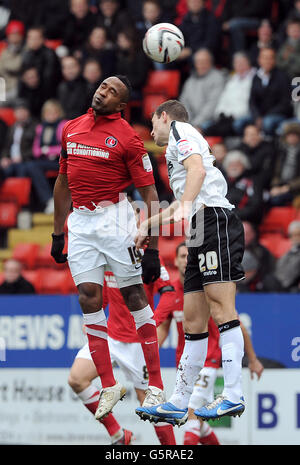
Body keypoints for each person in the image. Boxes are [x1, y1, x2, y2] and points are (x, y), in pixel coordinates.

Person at [51, 75, 165, 422]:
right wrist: (58, 234)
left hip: (115, 216)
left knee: (133, 296)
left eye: (112, 91)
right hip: (81, 222)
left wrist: (154, 249)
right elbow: (62, 182)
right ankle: (110, 384)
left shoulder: (130, 139)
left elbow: (150, 195)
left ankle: (156, 382)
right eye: (103, 86)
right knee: (88, 295)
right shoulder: (71, 128)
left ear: (121, 106)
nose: (103, 92)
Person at [134, 99, 246, 424]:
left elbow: (197, 170)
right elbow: (178, 206)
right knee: (194, 321)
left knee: (222, 308)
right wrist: (147, 225)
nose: (151, 130)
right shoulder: (175, 151)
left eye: (152, 123)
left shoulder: (181, 131)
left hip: (215, 219)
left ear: (164, 116)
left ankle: (233, 394)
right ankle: (179, 401)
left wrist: (184, 205)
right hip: (199, 225)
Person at [155, 242, 264, 445]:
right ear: (175, 261)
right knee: (195, 418)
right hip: (185, 363)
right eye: (181, 256)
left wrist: (254, 359)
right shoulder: (171, 292)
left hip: (209, 361)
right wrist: (148, 358)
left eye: (189, 255)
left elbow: (236, 325)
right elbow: (162, 329)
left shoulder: (207, 289)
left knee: (191, 411)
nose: (186, 260)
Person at [69, 260, 177, 445]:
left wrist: (152, 322)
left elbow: (169, 295)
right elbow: (105, 293)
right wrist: (96, 313)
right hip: (110, 337)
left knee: (151, 403)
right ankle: (119, 435)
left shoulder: (147, 257)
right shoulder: (107, 254)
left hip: (138, 344)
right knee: (77, 379)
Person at [202, 52, 255, 137]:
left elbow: (249, 104)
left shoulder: (254, 79)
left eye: (242, 63)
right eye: (237, 63)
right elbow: (223, 99)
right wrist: (220, 113)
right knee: (205, 126)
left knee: (235, 125)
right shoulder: (233, 80)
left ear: (248, 63)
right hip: (226, 117)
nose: (239, 66)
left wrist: (233, 115)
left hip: (242, 116)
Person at [249, 47, 292, 136]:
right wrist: (257, 116)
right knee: (240, 123)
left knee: (267, 123)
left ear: (274, 60)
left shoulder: (283, 77)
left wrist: (265, 116)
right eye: (265, 58)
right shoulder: (256, 77)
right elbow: (252, 101)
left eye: (270, 58)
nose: (267, 61)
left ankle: (270, 144)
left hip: (279, 115)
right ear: (259, 60)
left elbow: (285, 103)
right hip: (260, 116)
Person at [179, 48, 226, 131]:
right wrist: (189, 123)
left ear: (211, 62)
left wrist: (196, 123)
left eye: (205, 61)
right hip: (191, 122)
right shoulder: (190, 80)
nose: (201, 65)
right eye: (199, 62)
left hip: (211, 121)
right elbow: (184, 103)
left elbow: (212, 105)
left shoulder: (218, 78)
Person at [223, 150, 264, 225]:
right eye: (231, 164)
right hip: (222, 220)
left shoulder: (252, 182)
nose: (234, 167)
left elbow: (255, 206)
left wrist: (232, 216)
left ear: (244, 166)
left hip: (244, 221)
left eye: (237, 164)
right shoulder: (221, 182)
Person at [21, 26, 61, 99]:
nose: (33, 41)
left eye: (36, 38)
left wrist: (34, 78)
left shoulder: (50, 54)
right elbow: (23, 76)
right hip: (30, 91)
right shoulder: (26, 54)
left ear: (42, 39)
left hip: (47, 92)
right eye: (31, 38)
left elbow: (49, 78)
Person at [0, 99, 37, 177]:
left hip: (25, 160)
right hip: (11, 160)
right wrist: (4, 157)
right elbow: (7, 146)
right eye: (18, 111)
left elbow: (35, 148)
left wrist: (22, 157)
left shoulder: (35, 127)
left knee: (22, 171)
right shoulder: (12, 127)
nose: (20, 114)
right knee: (5, 171)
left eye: (22, 111)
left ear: (28, 112)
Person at [269, 122, 300, 206]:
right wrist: (275, 186)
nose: (292, 138)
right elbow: (275, 173)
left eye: (295, 135)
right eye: (289, 135)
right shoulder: (281, 151)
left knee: (276, 200)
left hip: (295, 188)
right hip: (281, 185)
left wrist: (287, 187)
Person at [236, 124, 274, 189]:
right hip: (241, 184)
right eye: (249, 135)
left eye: (255, 134)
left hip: (262, 186)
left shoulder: (268, 149)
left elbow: (265, 171)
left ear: (260, 136)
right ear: (244, 138)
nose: (252, 138)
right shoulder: (238, 150)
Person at [57, 55, 88, 120]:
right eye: (66, 67)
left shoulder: (88, 86)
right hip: (66, 125)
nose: (69, 70)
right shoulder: (61, 87)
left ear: (79, 67)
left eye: (72, 66)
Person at [0, 20, 25, 101]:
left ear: (22, 35)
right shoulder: (5, 51)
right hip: (4, 86)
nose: (14, 37)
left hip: (18, 88)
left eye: (17, 34)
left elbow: (17, 66)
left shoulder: (26, 50)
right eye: (12, 34)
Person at [273, 220, 300, 292]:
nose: (295, 238)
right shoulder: (288, 252)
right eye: (292, 235)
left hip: (292, 286)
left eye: (298, 234)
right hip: (281, 284)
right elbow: (278, 270)